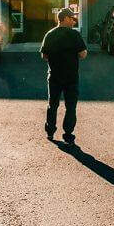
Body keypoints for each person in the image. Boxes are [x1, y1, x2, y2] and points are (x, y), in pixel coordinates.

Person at [40, 8, 87, 144]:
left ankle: (50, 132)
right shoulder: (74, 35)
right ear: (66, 18)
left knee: (52, 104)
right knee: (70, 106)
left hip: (54, 76)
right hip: (71, 78)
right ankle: (68, 134)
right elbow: (83, 54)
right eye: (72, 18)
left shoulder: (49, 34)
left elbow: (44, 56)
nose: (74, 21)